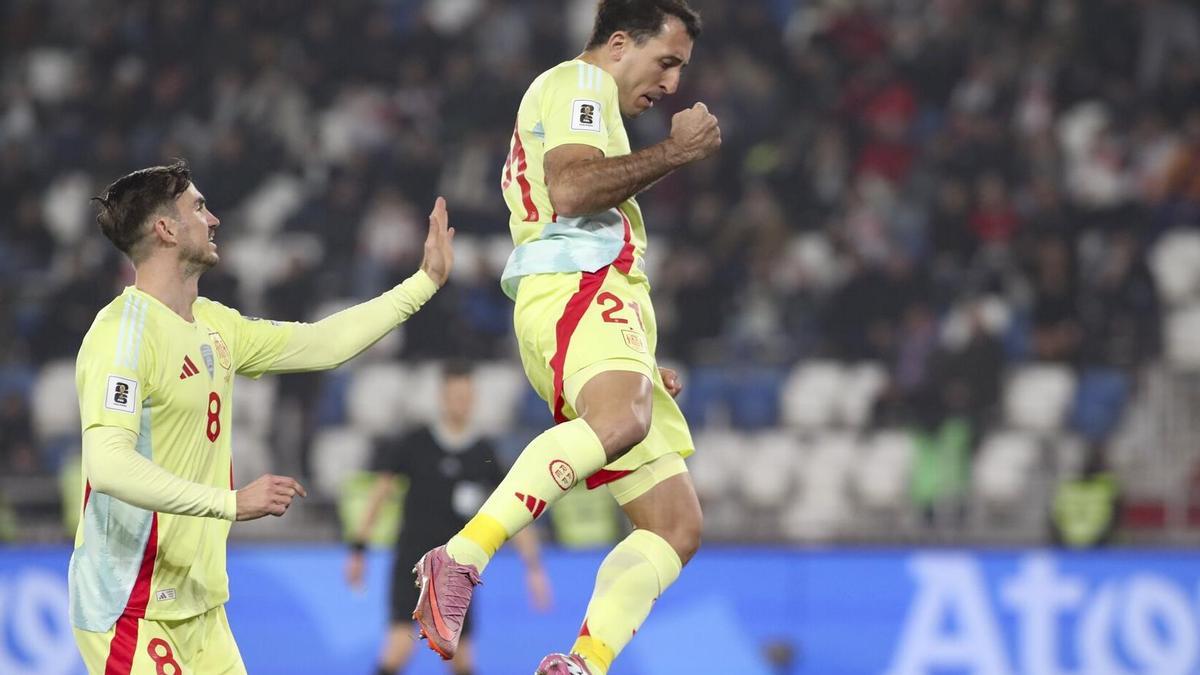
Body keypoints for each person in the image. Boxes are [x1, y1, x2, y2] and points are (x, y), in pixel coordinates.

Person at [411, 2, 720, 673]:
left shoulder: (591, 101)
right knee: (621, 418)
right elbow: (574, 189)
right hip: (577, 287)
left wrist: (637, 359)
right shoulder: (581, 84)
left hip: (596, 304)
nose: (672, 84)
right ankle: (461, 555)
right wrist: (677, 151)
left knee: (675, 525)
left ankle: (584, 661)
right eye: (666, 61)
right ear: (617, 43)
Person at [70, 160, 454, 674]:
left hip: (199, 604)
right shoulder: (123, 335)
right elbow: (109, 466)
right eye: (199, 208)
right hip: (131, 606)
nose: (214, 219)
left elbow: (322, 344)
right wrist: (231, 502)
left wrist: (423, 284)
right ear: (165, 228)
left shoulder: (215, 324)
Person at [345, 359, 552, 675]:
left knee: (462, 659)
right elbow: (380, 494)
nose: (461, 404)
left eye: (467, 397)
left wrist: (533, 567)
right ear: (443, 398)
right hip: (412, 563)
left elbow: (514, 507)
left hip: (457, 568)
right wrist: (359, 549)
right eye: (455, 396)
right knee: (399, 648)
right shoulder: (415, 443)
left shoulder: (483, 452)